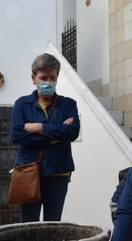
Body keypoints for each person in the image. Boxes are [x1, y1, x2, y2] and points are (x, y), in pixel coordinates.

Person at [10, 53, 80, 222]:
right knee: (28, 225)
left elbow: (72, 132)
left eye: (52, 77)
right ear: (34, 79)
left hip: (58, 173)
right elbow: (17, 135)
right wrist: (53, 137)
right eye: (43, 78)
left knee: (53, 225)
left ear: (57, 77)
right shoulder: (22, 104)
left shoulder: (68, 104)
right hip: (28, 172)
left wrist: (39, 127)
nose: (48, 82)